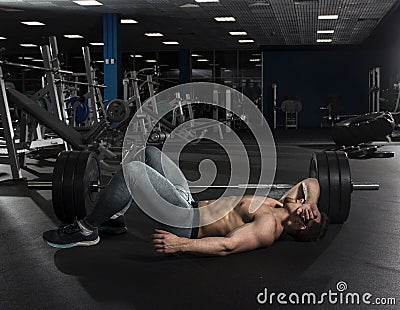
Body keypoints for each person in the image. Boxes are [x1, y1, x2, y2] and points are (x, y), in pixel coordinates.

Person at [43, 146, 329, 255]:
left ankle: (88, 228)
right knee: (149, 153)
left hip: (186, 224)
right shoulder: (284, 204)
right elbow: (311, 183)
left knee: (132, 173)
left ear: (302, 225)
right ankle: (114, 217)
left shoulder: (269, 226)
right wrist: (312, 202)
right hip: (190, 204)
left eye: (311, 212)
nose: (306, 203)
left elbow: (227, 246)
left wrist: (181, 244)